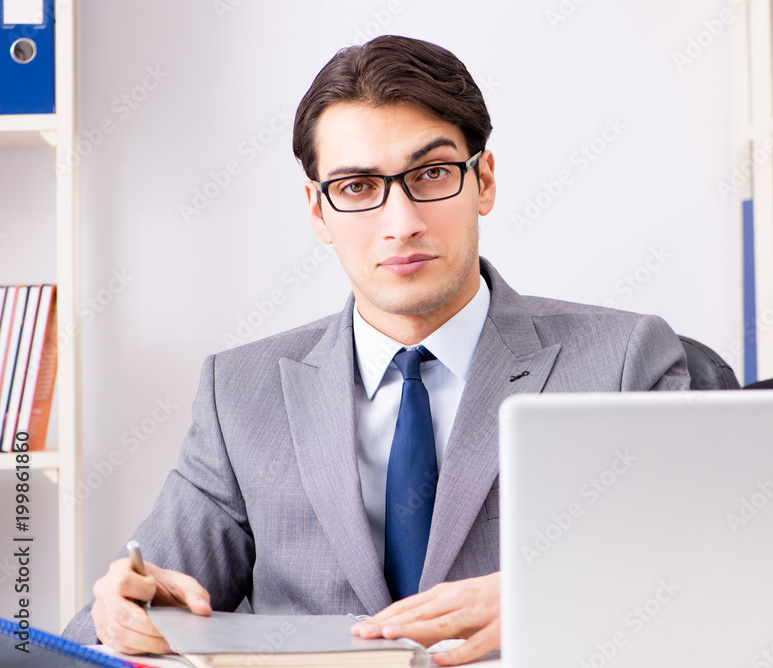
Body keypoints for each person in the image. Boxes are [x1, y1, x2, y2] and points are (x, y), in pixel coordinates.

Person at [63, 35, 690, 665]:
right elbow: (120, 615)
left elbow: (705, 572)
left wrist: (546, 596)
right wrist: (123, 613)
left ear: (484, 181)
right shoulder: (240, 393)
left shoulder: (623, 360)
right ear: (318, 209)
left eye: (432, 174)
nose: (402, 222)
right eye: (358, 187)